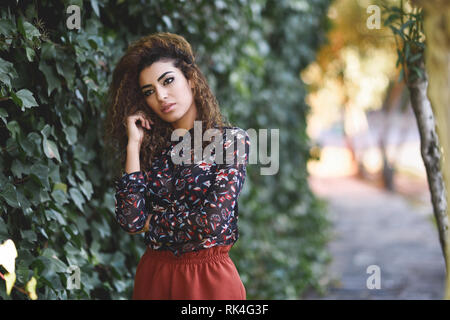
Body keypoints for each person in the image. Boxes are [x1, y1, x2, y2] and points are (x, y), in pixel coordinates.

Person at [105, 32, 250, 300]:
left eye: (168, 81)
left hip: (209, 278)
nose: (160, 96)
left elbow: (213, 222)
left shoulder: (231, 140)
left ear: (192, 80)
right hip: (153, 277)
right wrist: (133, 146)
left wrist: (154, 222)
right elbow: (130, 220)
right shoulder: (152, 148)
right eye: (149, 91)